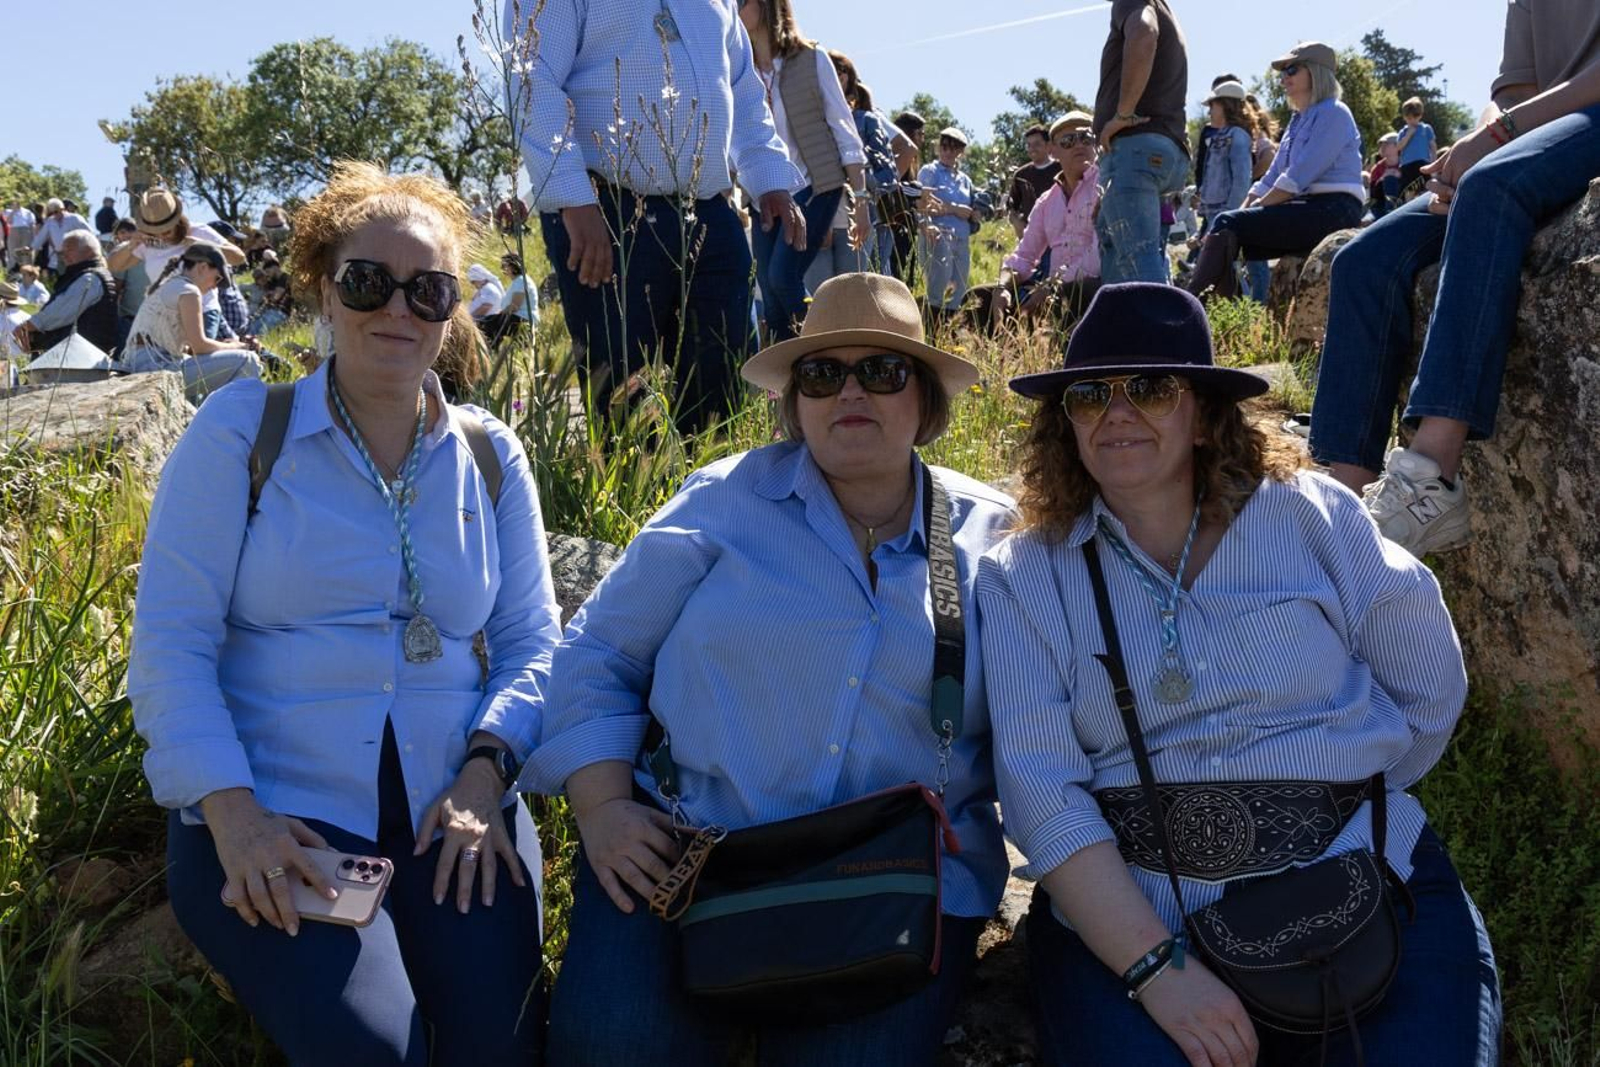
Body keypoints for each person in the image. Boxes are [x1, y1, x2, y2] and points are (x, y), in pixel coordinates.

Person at [978, 281, 1500, 1067]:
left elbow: (1427, 683)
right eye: (1089, 395)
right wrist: (1157, 969)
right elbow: (1039, 790)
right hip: (1138, 914)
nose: (1117, 412)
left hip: (1363, 876)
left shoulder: (1311, 515)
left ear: (1204, 415)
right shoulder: (1024, 575)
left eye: (1150, 388)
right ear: (1067, 423)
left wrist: (1327, 804)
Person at [129, 161, 559, 1066]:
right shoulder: (243, 432)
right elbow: (171, 645)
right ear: (325, 289)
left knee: (497, 1051)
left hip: (452, 807)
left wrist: (486, 775)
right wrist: (234, 814)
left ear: (453, 311)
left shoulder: (490, 454)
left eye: (429, 289)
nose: (398, 308)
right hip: (276, 808)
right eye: (368, 281)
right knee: (373, 1054)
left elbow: (532, 643)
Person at [525, 272, 1012, 1063]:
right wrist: (604, 806)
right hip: (687, 852)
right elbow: (600, 651)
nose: (849, 391)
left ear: (924, 399)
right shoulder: (722, 502)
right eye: (821, 374)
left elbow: (1038, 722)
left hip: (891, 877)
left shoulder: (990, 536)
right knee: (615, 1045)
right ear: (794, 402)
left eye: (881, 370)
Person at [1310, 0, 1600, 555]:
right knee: (1363, 261)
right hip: (1541, 133)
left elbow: (1519, 116)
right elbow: (1515, 92)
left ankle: (1431, 478)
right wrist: (1474, 149)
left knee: (1489, 189)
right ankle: (1344, 498)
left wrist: (1497, 142)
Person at [516, 0, 804, 433]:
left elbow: (743, 92)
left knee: (723, 388)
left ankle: (717, 477)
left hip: (710, 211)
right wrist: (573, 198)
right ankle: (635, 478)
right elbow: (532, 80)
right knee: (624, 401)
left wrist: (769, 179)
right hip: (603, 213)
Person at [1185, 42, 1364, 301]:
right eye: (1283, 72)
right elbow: (1271, 177)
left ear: (1315, 71)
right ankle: (1217, 313)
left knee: (1229, 226)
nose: (1283, 78)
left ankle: (1191, 305)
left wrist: (1252, 210)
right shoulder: (1298, 119)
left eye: (1291, 70)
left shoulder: (1335, 112)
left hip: (1336, 209)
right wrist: (1244, 210)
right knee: (1227, 228)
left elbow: (1297, 177)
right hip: (1308, 208)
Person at [742, 0, 869, 343]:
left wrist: (860, 200)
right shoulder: (740, 67)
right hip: (763, 193)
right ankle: (787, 374)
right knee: (769, 294)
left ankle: (832, 349)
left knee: (783, 277)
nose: (733, 7)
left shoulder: (812, 58)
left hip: (815, 186)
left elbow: (844, 130)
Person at [1092, 0, 1190, 284]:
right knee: (1120, 249)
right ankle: (1123, 313)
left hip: (1134, 151)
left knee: (1138, 259)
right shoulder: (1165, 11)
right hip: (1160, 152)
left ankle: (1154, 314)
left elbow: (1144, 33)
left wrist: (1123, 114)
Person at [993, 112, 1102, 327]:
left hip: (1092, 288)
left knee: (1075, 295)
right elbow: (1025, 255)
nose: (1079, 145)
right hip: (1053, 291)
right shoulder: (1047, 201)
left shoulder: (1106, 187)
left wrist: (1052, 286)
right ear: (1053, 151)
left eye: (1086, 138)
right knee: (980, 298)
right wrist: (1003, 285)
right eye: (1068, 140)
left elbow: (1099, 256)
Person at [118, 242, 262, 402]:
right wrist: (238, 346)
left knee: (226, 365)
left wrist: (225, 346)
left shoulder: (173, 284)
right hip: (155, 366)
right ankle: (235, 416)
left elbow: (190, 348)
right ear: (202, 267)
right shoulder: (189, 290)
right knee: (247, 359)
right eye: (217, 278)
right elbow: (200, 347)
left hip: (144, 363)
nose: (215, 286)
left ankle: (209, 411)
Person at [109, 188, 247, 337]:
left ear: (177, 222)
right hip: (165, 316)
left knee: (198, 350)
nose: (161, 237)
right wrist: (130, 246)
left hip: (202, 310)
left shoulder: (198, 231)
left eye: (166, 231)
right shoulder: (147, 241)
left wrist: (201, 245)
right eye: (155, 232)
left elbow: (238, 257)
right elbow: (114, 266)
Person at [14, 230, 119, 354]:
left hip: (83, 356)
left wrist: (25, 327)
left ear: (89, 250)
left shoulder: (89, 279)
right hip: (80, 353)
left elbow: (54, 316)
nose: (64, 256)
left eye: (69, 250)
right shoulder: (86, 275)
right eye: (62, 252)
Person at [919, 127, 977, 326]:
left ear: (960, 151)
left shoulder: (965, 180)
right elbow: (923, 204)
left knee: (958, 290)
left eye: (953, 148)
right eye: (944, 146)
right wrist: (954, 209)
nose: (947, 152)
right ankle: (931, 331)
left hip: (961, 240)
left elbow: (970, 208)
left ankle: (949, 333)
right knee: (937, 289)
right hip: (938, 238)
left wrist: (975, 213)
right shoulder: (930, 172)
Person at [1194, 81, 1254, 232]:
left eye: (1212, 107)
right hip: (1213, 211)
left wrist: (1231, 213)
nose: (1209, 113)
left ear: (1225, 105)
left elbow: (1241, 178)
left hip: (1224, 211)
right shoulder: (1219, 137)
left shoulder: (1237, 136)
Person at [885, 110, 929, 285]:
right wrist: (918, 191)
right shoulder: (895, 156)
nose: (922, 138)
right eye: (920, 133)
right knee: (892, 281)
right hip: (893, 230)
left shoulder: (912, 161)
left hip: (907, 229)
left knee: (905, 282)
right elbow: (890, 188)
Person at [1006, 126, 1062, 239]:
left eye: (1037, 144)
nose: (1032, 149)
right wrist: (1017, 224)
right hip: (1032, 238)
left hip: (1061, 236)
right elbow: (1012, 207)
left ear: (1048, 145)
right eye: (1029, 145)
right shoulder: (1021, 175)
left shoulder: (1062, 168)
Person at [1190, 72, 1241, 193]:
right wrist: (1200, 190)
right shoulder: (1208, 131)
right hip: (1212, 194)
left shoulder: (1243, 130)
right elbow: (1201, 165)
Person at [476, 253, 537, 348]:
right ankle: (493, 348)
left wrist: (500, 314)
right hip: (519, 317)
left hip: (521, 318)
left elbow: (515, 306)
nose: (502, 268)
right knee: (490, 321)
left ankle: (492, 348)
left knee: (487, 323)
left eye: (505, 266)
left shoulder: (521, 281)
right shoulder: (519, 281)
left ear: (513, 267)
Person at [29, 198, 92, 277]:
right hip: (60, 256)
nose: (54, 215)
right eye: (51, 213)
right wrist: (31, 248)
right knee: (63, 277)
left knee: (77, 275)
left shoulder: (74, 218)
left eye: (56, 212)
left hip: (75, 254)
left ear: (62, 209)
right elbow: (41, 237)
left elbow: (89, 232)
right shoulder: (50, 222)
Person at [1395, 96, 1437, 197]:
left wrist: (1434, 163)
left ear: (1420, 115)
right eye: (1409, 118)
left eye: (1415, 117)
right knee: (1408, 191)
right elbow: (1398, 147)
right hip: (1407, 165)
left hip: (1422, 163)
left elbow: (1433, 146)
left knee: (1425, 189)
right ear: (1404, 117)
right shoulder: (1403, 131)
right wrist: (1408, 135)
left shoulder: (1426, 128)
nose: (1412, 120)